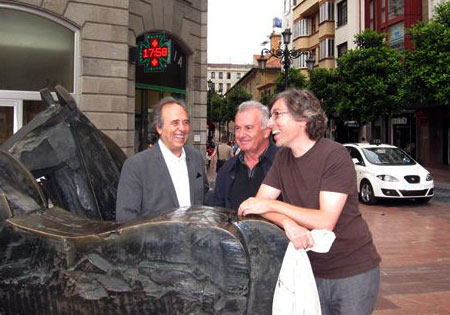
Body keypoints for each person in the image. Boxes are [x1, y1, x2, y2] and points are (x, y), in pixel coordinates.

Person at [238, 89, 381, 314]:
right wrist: (288, 224)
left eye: (276, 114)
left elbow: (325, 221)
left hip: (351, 271)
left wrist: (274, 205)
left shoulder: (334, 155)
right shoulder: (283, 158)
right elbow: (256, 205)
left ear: (303, 118)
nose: (270, 123)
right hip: (308, 271)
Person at [116, 97, 209, 221]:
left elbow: (206, 199)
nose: (182, 128)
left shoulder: (196, 158)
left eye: (185, 122)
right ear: (159, 128)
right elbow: (126, 220)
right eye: (175, 123)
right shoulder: (136, 166)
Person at [208, 100, 278, 210]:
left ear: (267, 131)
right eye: (237, 128)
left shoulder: (285, 164)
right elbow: (218, 213)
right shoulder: (227, 169)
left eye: (248, 128)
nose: (241, 135)